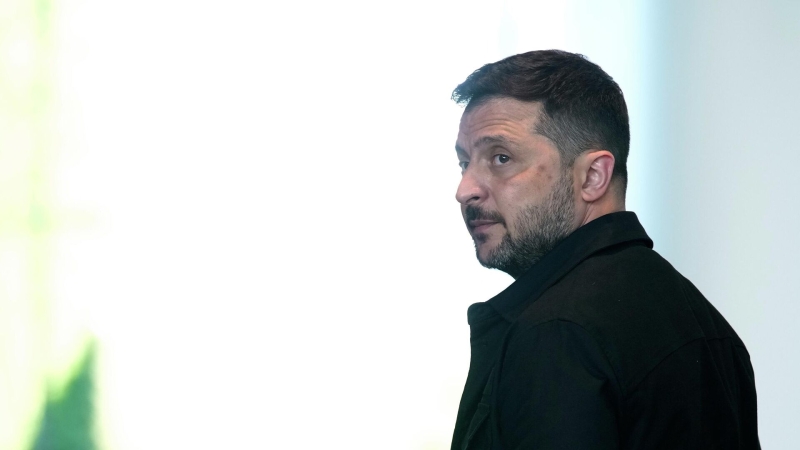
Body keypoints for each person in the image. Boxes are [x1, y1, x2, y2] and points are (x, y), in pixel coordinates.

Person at [450, 50, 760, 450]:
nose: (465, 190)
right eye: (464, 163)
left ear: (593, 176)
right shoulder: (705, 323)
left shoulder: (557, 333)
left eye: (501, 158)